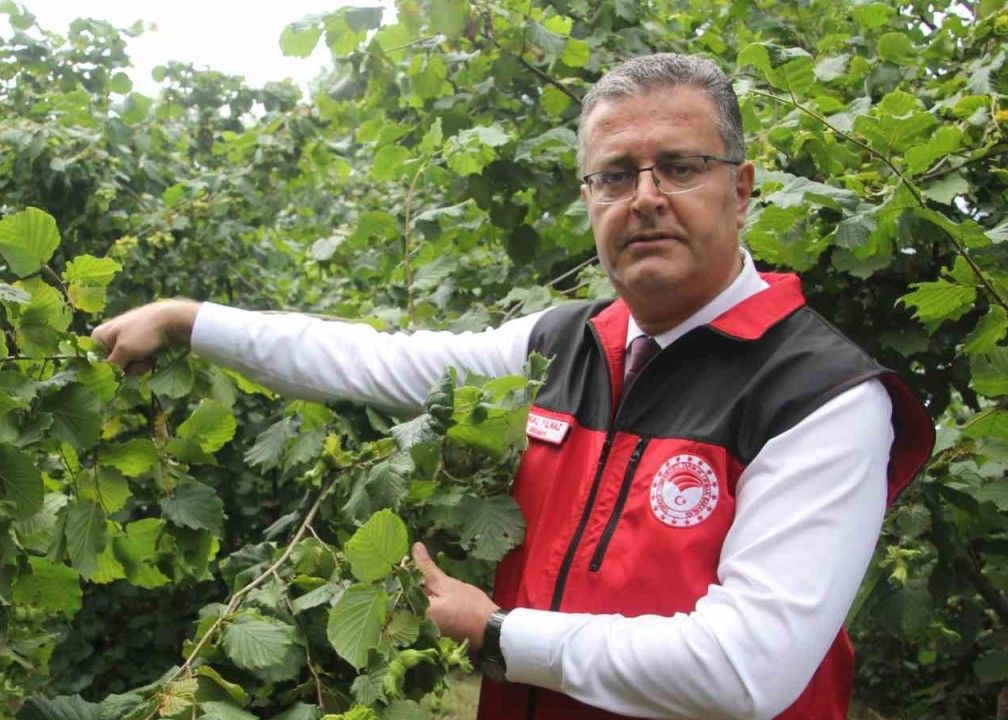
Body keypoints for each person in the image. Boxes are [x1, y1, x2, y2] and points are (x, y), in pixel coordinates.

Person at [91, 54, 934, 720]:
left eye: (679, 167)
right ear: (588, 198)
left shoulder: (821, 394)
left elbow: (746, 668)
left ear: (740, 189)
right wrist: (189, 320)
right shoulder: (563, 344)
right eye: (615, 175)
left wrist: (497, 635)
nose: (644, 199)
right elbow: (372, 361)